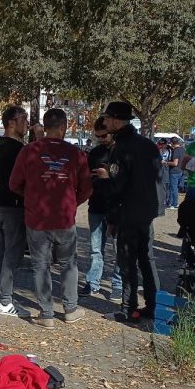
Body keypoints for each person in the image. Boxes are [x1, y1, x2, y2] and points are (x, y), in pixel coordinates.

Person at [9, 108, 92, 328]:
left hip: (37, 217)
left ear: (44, 127)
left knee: (40, 265)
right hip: (64, 217)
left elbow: (14, 183)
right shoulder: (76, 154)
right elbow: (86, 188)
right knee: (68, 264)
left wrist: (31, 196)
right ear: (64, 127)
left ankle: (46, 314)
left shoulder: (29, 151)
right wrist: (72, 202)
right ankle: (70, 309)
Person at [93, 101, 162, 322]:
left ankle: (128, 307)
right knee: (147, 260)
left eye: (106, 118)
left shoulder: (121, 148)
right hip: (146, 212)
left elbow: (117, 187)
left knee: (127, 262)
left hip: (128, 213)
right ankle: (154, 306)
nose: (104, 122)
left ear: (115, 120)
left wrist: (103, 180)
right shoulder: (148, 145)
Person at [0, 105, 29, 316]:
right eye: (24, 120)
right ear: (12, 122)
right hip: (14, 203)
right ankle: (5, 300)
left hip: (0, 201)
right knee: (12, 253)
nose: (27, 124)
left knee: (0, 251)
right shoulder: (18, 148)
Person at [82, 117, 122, 299]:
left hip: (116, 206)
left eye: (104, 135)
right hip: (96, 205)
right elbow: (86, 177)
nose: (102, 139)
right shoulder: (95, 153)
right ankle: (92, 282)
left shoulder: (122, 152)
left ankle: (118, 284)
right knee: (95, 248)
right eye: (98, 137)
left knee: (118, 249)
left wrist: (108, 177)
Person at [167, 137, 184, 209]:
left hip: (174, 171)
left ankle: (174, 204)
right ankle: (170, 203)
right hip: (181, 171)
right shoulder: (183, 149)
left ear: (172, 143)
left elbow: (175, 163)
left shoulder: (176, 151)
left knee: (174, 188)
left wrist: (165, 162)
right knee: (173, 188)